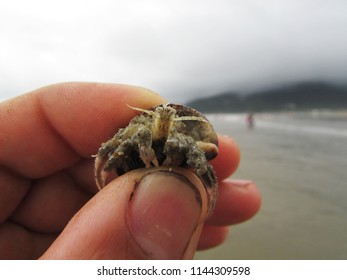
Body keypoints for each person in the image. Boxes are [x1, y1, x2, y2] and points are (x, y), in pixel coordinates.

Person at [0, 83, 261, 259]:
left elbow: (201, 153)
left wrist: (209, 190)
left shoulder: (186, 131)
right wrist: (103, 170)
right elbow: (114, 145)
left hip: (182, 151)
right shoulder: (141, 128)